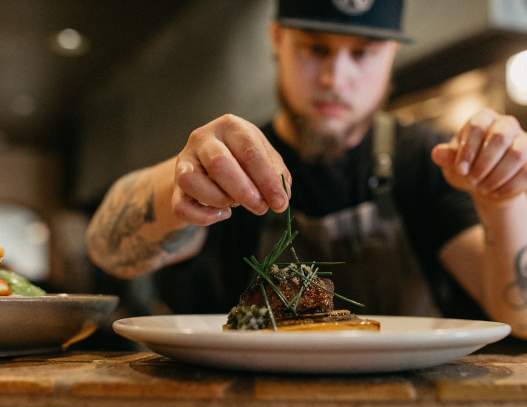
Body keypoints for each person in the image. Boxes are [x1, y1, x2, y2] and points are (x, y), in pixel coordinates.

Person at [86, 0, 527, 338]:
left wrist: (503, 199)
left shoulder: (428, 162)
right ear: (277, 39)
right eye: (316, 48)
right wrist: (177, 188)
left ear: (391, 53)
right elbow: (107, 249)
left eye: (363, 53)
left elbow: (519, 316)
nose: (336, 77)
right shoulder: (230, 161)